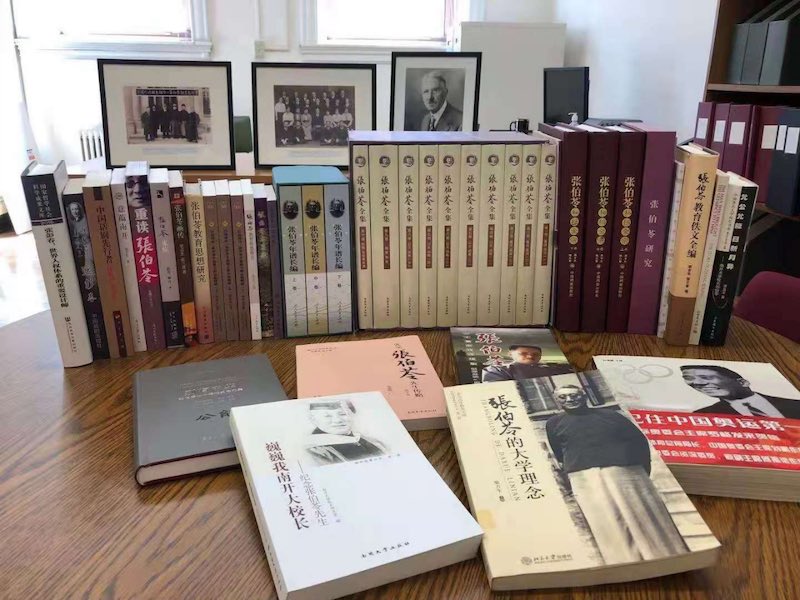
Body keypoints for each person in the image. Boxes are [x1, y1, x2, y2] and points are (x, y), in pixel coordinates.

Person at [545, 385, 688, 563]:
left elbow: (638, 442)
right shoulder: (553, 423)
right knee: (607, 523)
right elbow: (559, 452)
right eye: (563, 397)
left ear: (585, 396)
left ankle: (666, 557)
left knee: (644, 518)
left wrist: (640, 470)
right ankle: (625, 562)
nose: (569, 400)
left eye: (574, 395)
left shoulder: (611, 416)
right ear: (556, 400)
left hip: (626, 473)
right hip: (583, 478)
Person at [681, 365, 800, 418]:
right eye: (689, 379)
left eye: (706, 377)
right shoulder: (704, 415)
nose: (697, 383)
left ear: (743, 382)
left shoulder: (795, 405)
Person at [305, 399, 387, 465]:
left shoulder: (374, 442)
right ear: (313, 420)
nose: (338, 420)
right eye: (327, 416)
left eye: (342, 414)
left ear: (352, 415)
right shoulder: (313, 452)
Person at [481, 345, 572, 382]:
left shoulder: (555, 368)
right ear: (510, 354)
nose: (530, 356)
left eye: (535, 354)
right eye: (523, 353)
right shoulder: (497, 370)